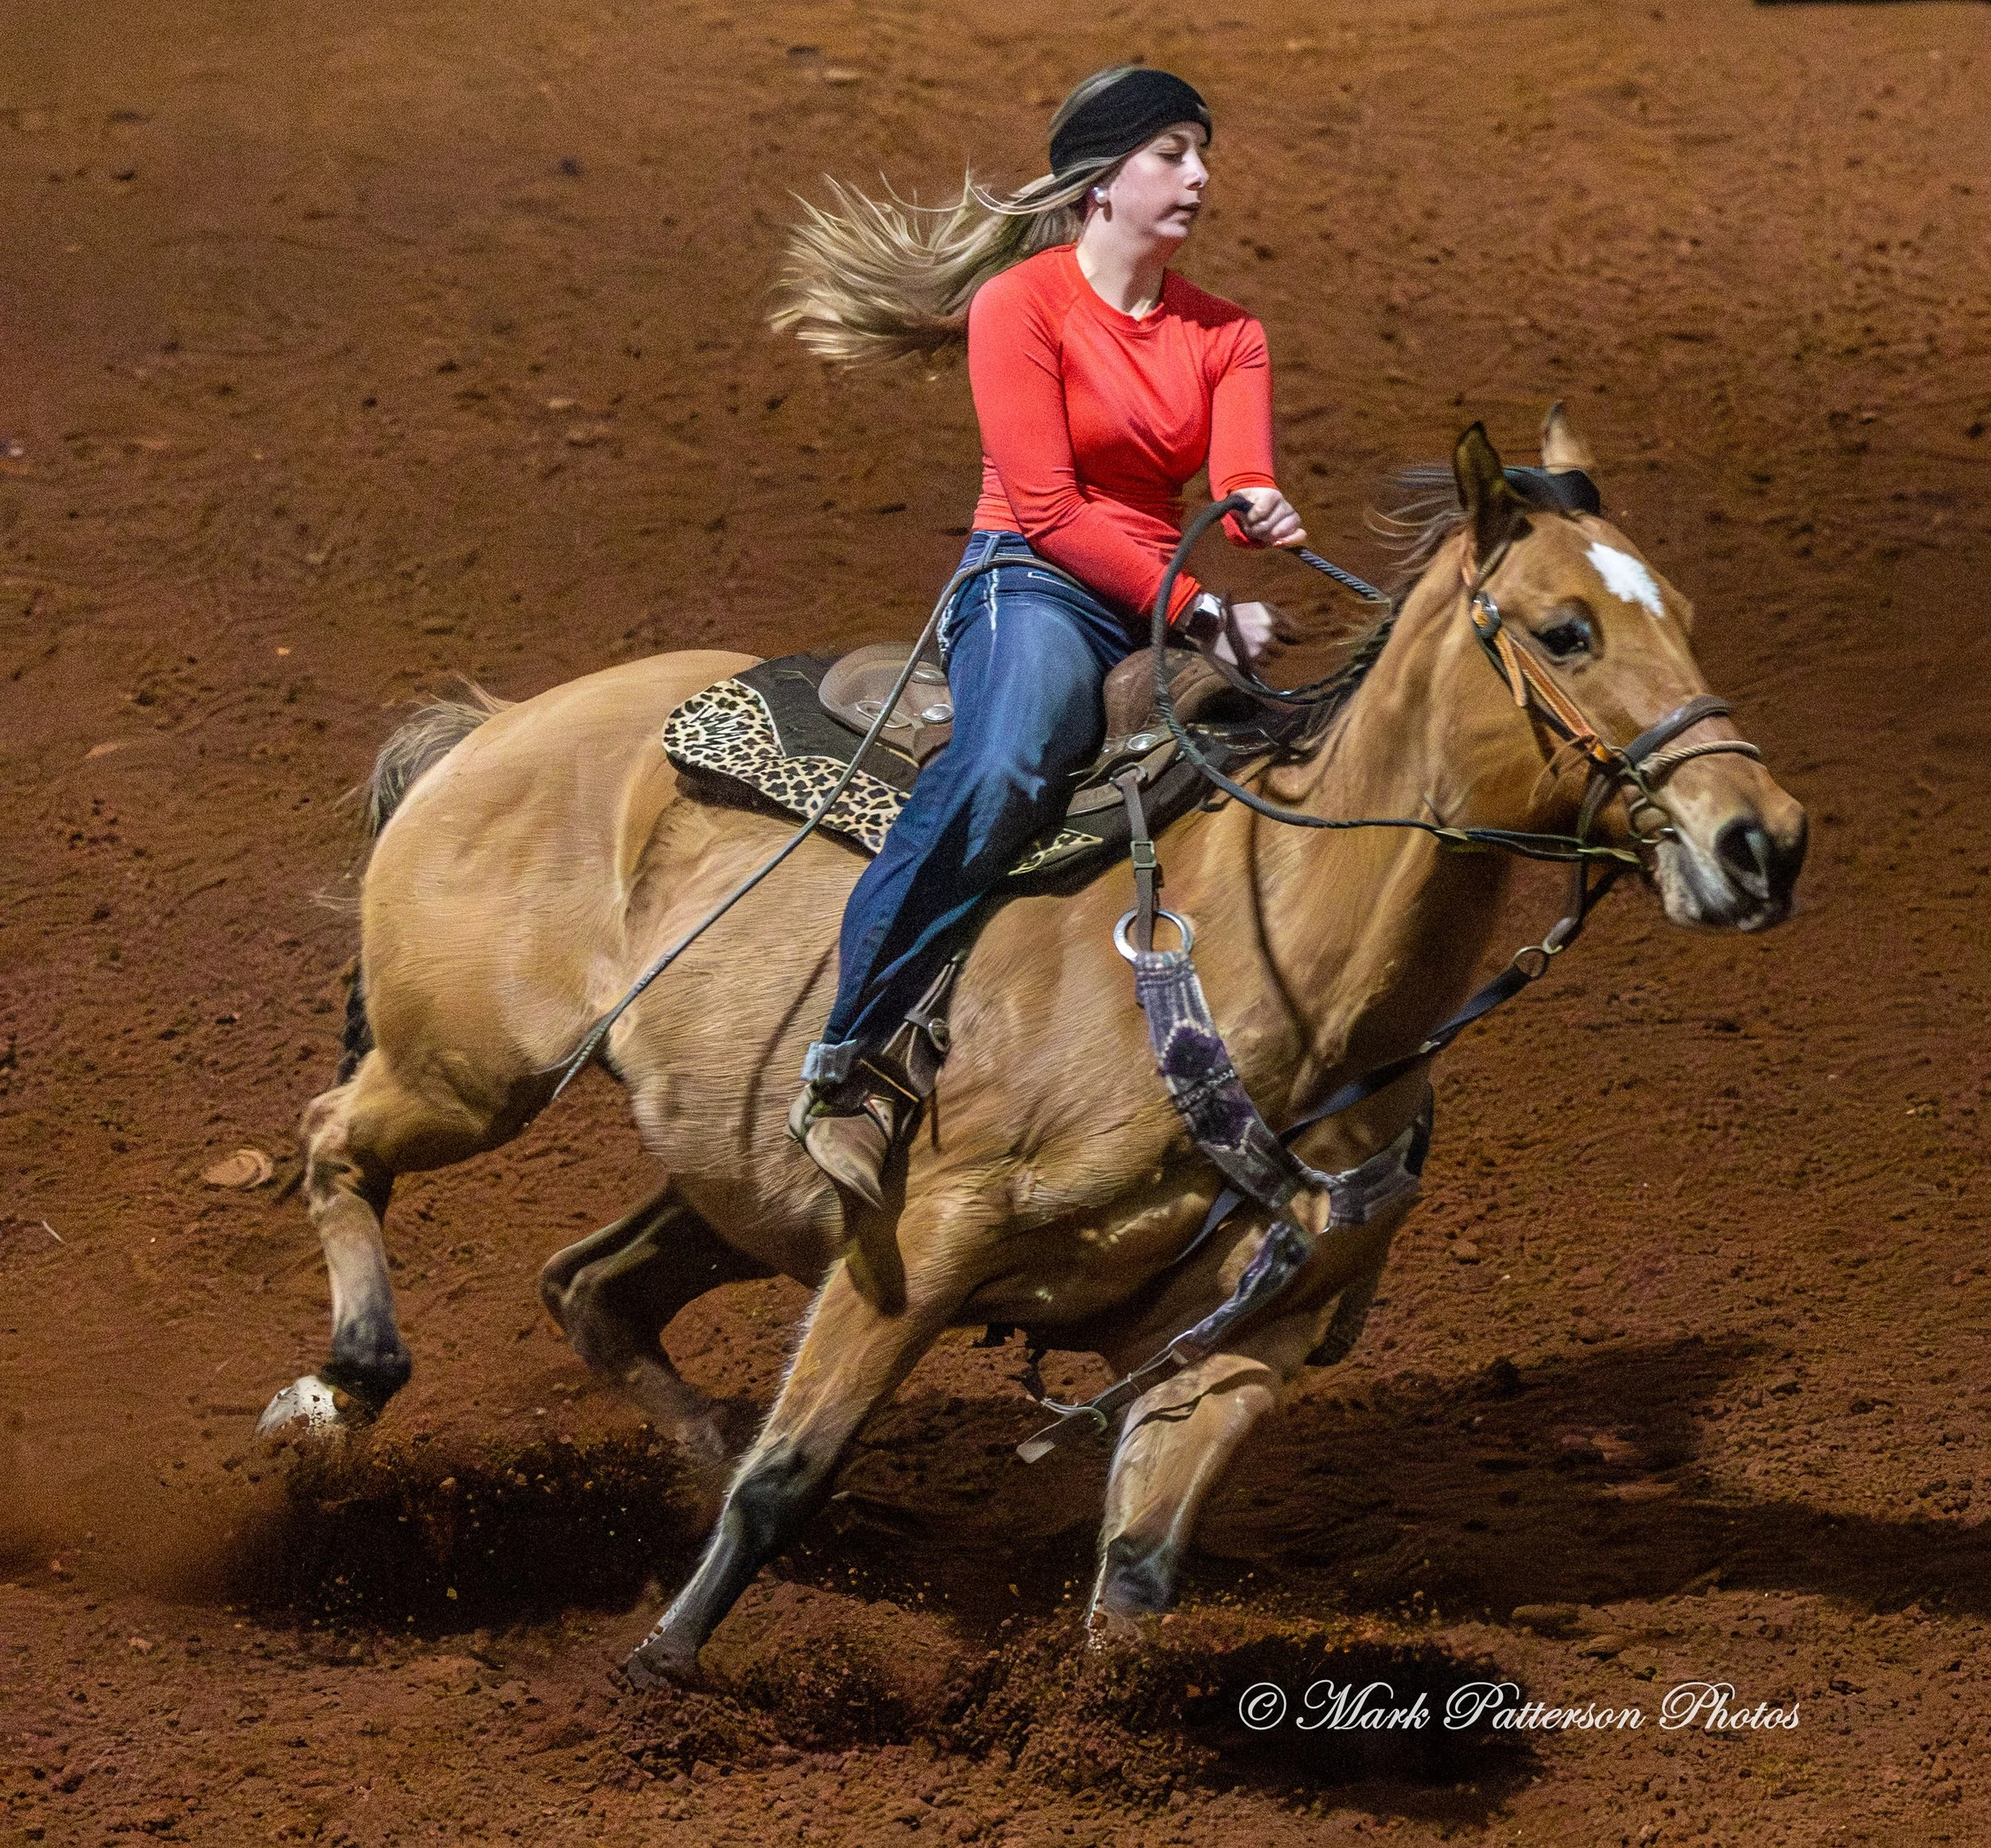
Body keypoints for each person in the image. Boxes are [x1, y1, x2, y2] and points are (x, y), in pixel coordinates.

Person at [772, 65, 1308, 1208]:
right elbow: (1055, 511)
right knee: (1010, 764)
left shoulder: (1231, 334)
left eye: (1201, 154)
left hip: (1153, 599)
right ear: (1100, 180)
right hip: (1032, 583)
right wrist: (1205, 610)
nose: (1199, 176)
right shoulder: (1022, 305)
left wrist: (1258, 507)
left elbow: (1238, 470)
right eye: (1170, 151)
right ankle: (850, 1064)